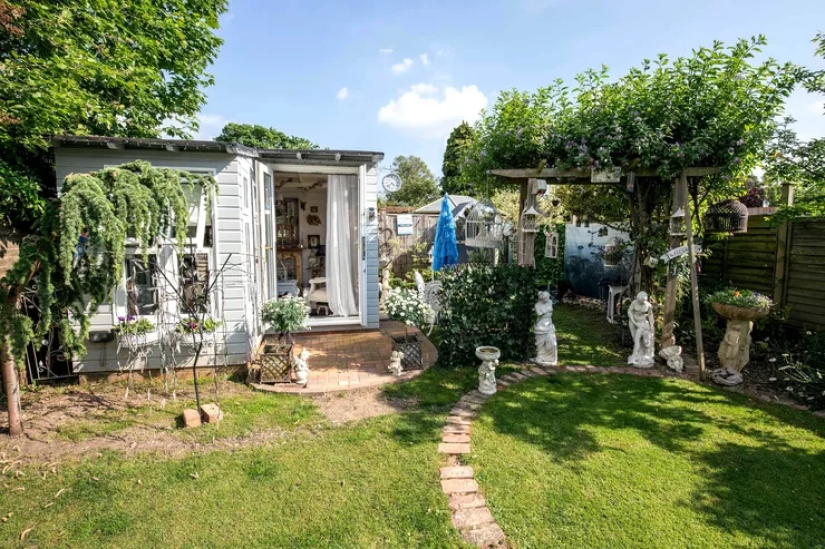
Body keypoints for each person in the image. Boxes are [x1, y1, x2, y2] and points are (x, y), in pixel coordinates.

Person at [627, 291, 655, 367]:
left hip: (642, 323)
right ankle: (638, 354)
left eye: (643, 301)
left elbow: (650, 315)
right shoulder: (634, 303)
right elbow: (629, 312)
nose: (641, 303)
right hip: (633, 321)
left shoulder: (648, 305)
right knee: (635, 338)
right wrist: (634, 322)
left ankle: (642, 355)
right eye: (640, 301)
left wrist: (651, 325)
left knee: (643, 339)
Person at [533, 291, 558, 365]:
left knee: (551, 342)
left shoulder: (550, 302)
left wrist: (546, 310)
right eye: (546, 298)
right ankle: (540, 356)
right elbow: (539, 314)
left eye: (548, 298)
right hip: (541, 325)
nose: (548, 299)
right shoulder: (537, 305)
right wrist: (548, 310)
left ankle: (550, 357)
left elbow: (547, 310)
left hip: (549, 325)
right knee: (540, 343)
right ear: (542, 299)